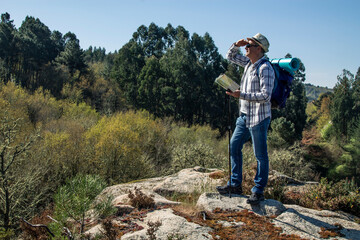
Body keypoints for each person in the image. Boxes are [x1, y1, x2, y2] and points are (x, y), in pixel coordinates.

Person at [216, 33, 275, 204]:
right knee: (234, 147)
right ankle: (235, 185)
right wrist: (236, 43)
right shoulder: (249, 63)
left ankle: (258, 191)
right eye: (246, 45)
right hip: (244, 116)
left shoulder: (265, 68)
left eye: (249, 45)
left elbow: (265, 96)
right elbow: (230, 56)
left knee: (260, 155)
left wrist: (240, 94)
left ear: (259, 48)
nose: (246, 47)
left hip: (259, 117)